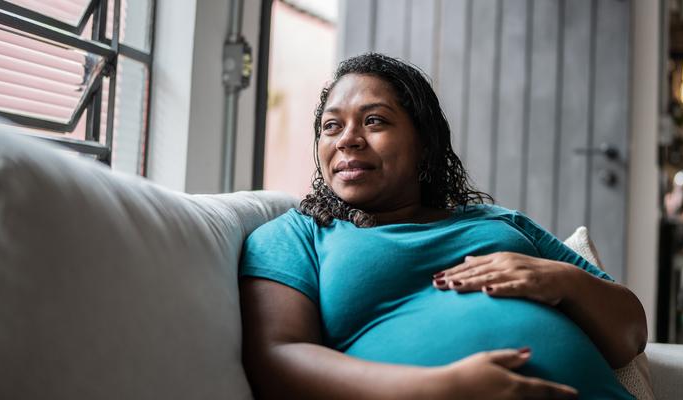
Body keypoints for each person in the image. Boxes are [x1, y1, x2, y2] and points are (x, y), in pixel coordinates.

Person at [238, 53, 647, 400]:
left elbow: (630, 335)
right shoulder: (295, 235)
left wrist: (564, 281)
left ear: (425, 144)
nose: (348, 139)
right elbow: (277, 359)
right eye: (332, 126)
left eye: (374, 121)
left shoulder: (500, 223)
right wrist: (441, 387)